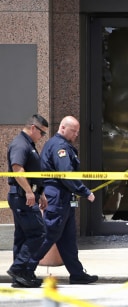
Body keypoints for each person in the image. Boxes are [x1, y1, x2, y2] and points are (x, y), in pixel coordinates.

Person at [27, 116, 98, 284]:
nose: (76, 135)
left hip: (63, 199)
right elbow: (66, 174)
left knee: (68, 239)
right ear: (63, 128)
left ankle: (77, 274)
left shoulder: (60, 145)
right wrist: (85, 192)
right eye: (74, 131)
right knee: (48, 236)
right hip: (57, 198)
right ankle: (25, 269)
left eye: (77, 131)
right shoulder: (60, 147)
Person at [6, 114, 49, 288]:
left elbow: (32, 174)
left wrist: (41, 194)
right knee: (38, 233)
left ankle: (22, 276)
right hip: (23, 198)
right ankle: (18, 269)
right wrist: (29, 192)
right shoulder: (20, 144)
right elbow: (18, 169)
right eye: (42, 133)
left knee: (22, 237)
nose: (42, 137)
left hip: (27, 196)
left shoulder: (28, 144)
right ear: (33, 128)